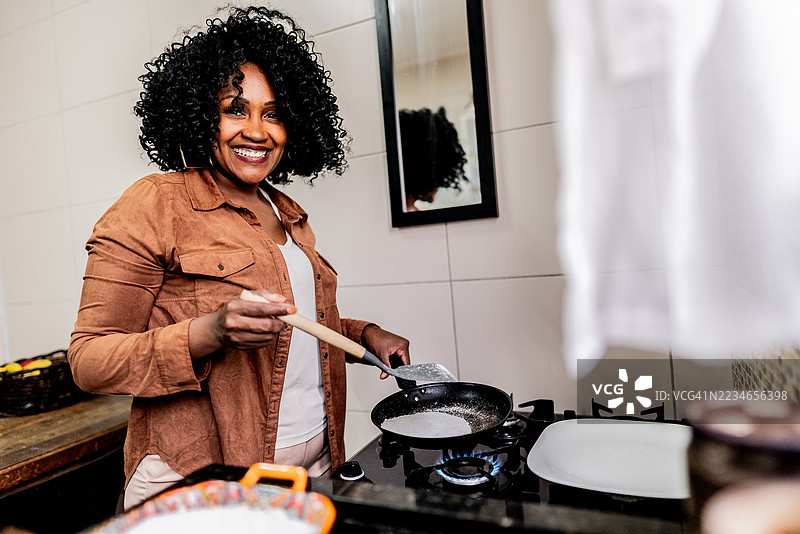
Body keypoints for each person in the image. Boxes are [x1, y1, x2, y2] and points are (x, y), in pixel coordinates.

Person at [67, 5, 410, 510]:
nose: (256, 131)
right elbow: (89, 360)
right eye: (235, 109)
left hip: (315, 465)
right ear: (200, 115)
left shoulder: (286, 209)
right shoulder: (155, 203)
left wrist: (362, 335)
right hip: (200, 479)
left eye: (272, 113)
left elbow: (291, 317)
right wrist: (210, 334)